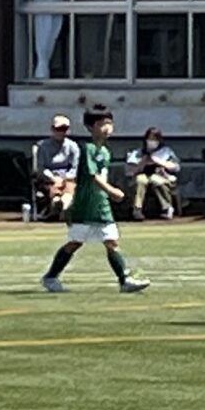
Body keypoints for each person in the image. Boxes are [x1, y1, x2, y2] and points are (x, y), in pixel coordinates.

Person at [41, 106, 150, 295]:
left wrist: (107, 194)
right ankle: (50, 276)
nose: (107, 128)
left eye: (109, 123)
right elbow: (92, 176)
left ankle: (124, 280)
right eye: (101, 124)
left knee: (111, 241)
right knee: (75, 242)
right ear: (90, 127)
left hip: (101, 204)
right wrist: (112, 191)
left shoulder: (105, 151)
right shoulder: (88, 149)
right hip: (85, 205)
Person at [31, 114, 79, 222]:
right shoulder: (42, 146)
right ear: (52, 129)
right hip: (49, 178)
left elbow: (75, 167)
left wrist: (65, 178)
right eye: (58, 129)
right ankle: (58, 205)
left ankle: (63, 208)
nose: (61, 132)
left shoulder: (73, 146)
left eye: (64, 129)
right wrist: (53, 178)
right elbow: (40, 168)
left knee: (69, 189)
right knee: (54, 189)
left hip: (67, 178)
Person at [130, 127, 180, 221]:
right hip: (142, 175)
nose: (152, 141)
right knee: (140, 180)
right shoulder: (138, 153)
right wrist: (143, 162)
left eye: (155, 139)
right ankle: (137, 209)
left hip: (161, 175)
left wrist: (160, 162)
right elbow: (130, 171)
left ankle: (167, 208)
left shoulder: (166, 151)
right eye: (150, 139)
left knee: (156, 180)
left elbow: (176, 167)